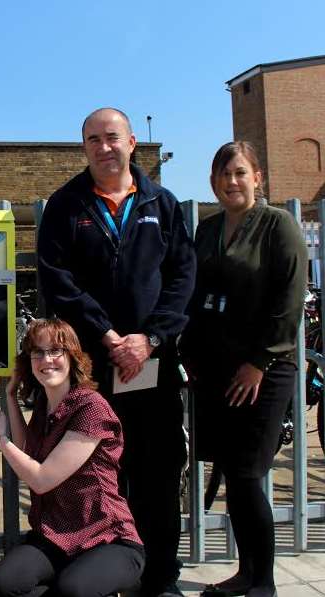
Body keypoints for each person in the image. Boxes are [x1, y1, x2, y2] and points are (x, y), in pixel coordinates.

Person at [36, 107, 196, 597]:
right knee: (92, 475)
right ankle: (97, 574)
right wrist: (106, 334)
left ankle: (160, 577)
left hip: (152, 366)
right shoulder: (65, 206)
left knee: (157, 473)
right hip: (89, 372)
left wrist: (150, 338)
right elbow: (56, 281)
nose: (104, 148)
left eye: (112, 138)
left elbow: (182, 279)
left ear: (132, 143)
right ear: (83, 147)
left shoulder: (162, 205)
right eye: (93, 140)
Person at [181, 141, 306, 597]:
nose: (231, 182)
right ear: (212, 181)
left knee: (249, 473)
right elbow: (193, 294)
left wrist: (258, 362)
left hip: (262, 373)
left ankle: (265, 582)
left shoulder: (278, 226)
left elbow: (288, 302)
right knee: (233, 473)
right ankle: (245, 574)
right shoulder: (209, 230)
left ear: (258, 177)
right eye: (222, 174)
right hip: (216, 371)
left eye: (239, 173)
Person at [0, 318, 144, 597]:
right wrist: (9, 394)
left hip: (107, 539)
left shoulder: (91, 408)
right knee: (1, 583)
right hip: (56, 537)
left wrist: (1, 439)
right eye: (38, 352)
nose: (47, 360)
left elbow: (42, 479)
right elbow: (26, 450)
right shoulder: (46, 406)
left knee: (71, 591)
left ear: (72, 357)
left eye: (56, 350)